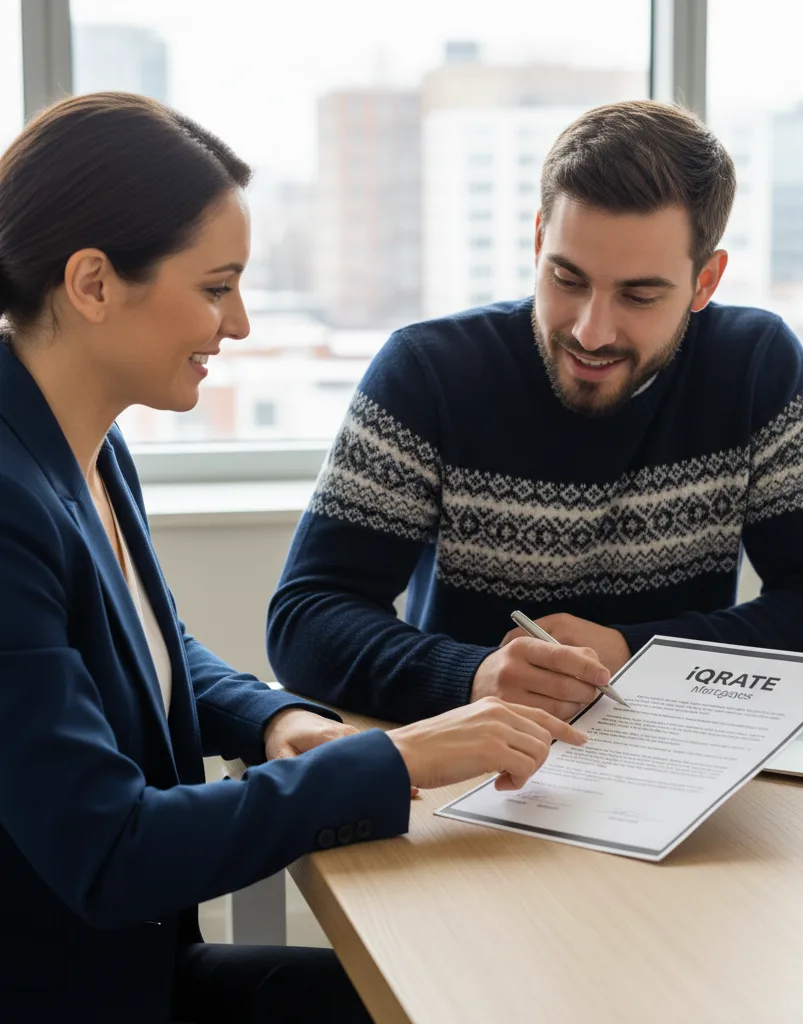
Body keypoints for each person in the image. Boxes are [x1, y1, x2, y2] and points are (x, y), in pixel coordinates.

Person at [0, 92, 586, 1023]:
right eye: (215, 286)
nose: (236, 325)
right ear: (94, 284)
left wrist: (277, 720)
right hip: (73, 996)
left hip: (131, 972)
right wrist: (394, 760)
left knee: (485, 987)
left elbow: (152, 653)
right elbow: (109, 850)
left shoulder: (87, 446)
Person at [268, 99, 803, 724]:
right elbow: (307, 618)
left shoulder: (756, 366)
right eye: (568, 279)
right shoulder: (428, 373)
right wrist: (474, 676)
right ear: (539, 239)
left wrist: (632, 650)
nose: (592, 331)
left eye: (639, 295)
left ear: (706, 282)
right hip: (466, 759)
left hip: (674, 758)